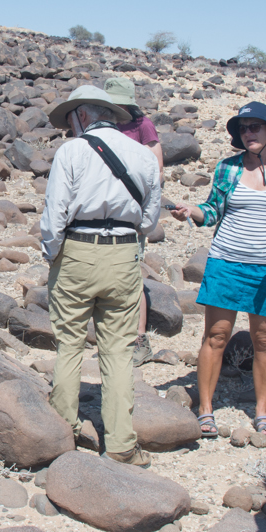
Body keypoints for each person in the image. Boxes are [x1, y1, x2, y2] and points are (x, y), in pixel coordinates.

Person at [39, 84, 164, 467]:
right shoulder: (143, 155)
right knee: (118, 352)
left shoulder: (72, 151)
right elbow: (150, 218)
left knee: (70, 344)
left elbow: (54, 213)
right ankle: (122, 444)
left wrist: (53, 253)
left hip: (77, 250)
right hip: (125, 255)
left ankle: (64, 432)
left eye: (71, 120)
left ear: (83, 115)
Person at [171, 101, 266, 439]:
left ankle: (261, 412)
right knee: (216, 337)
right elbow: (213, 210)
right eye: (243, 128)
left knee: (264, 340)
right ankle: (205, 409)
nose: (249, 133)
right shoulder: (227, 168)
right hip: (225, 263)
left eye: (255, 127)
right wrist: (192, 211)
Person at [102, 77, 165, 368]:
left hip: (131, 210)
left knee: (131, 272)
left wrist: (145, 213)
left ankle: (140, 338)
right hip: (103, 208)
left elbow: (156, 171)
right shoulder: (105, 125)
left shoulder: (142, 126)